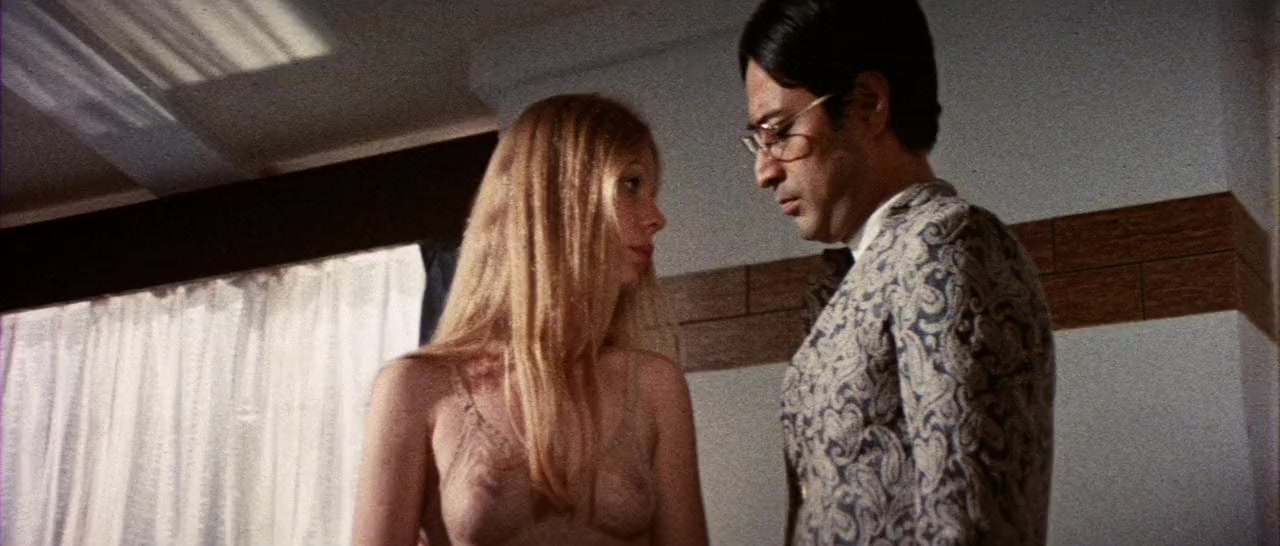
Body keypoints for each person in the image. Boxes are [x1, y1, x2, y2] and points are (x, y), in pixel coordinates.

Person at [737, 1, 1056, 544]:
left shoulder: (945, 242)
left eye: (781, 131)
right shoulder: (865, 266)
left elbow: (964, 527)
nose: (763, 171)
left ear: (868, 104)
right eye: (759, 139)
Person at [354, 94, 709, 546]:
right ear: (555, 198)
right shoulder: (415, 387)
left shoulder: (656, 385)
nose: (657, 218)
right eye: (631, 185)